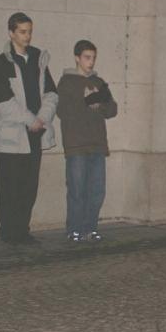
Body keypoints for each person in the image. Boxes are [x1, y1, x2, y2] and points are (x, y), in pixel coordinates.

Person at [0, 12, 58, 245]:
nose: (27, 36)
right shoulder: (2, 63)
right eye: (22, 32)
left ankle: (22, 230)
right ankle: (8, 232)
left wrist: (42, 118)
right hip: (13, 136)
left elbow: (50, 93)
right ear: (11, 33)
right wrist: (30, 120)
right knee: (10, 187)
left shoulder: (38, 59)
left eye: (29, 31)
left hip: (35, 135)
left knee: (29, 186)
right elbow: (3, 103)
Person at [57, 40, 119, 243]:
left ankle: (90, 228)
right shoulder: (66, 82)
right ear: (77, 57)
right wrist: (86, 101)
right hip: (76, 144)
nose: (90, 62)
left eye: (93, 58)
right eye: (86, 57)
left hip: (97, 144)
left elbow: (112, 109)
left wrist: (97, 103)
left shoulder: (99, 82)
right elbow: (63, 111)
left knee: (97, 190)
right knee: (77, 189)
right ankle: (74, 228)